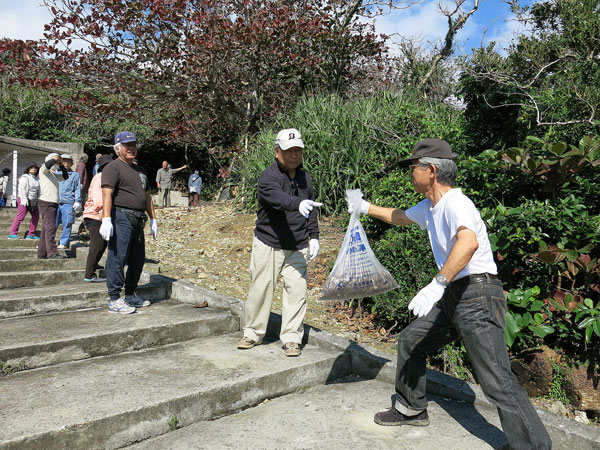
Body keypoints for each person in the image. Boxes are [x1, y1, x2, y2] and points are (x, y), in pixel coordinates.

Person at [350, 139, 551, 449]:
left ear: (431, 171)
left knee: (496, 381)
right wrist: (364, 207)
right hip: (455, 296)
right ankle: (411, 408)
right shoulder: (431, 207)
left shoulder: (457, 203)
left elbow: (468, 243)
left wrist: (438, 282)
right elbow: (398, 216)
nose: (410, 174)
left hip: (477, 294)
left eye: (413, 168)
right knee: (411, 341)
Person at [237, 128, 322, 357]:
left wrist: (314, 236)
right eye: (289, 151)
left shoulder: (305, 178)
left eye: (298, 150)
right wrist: (296, 204)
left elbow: (311, 209)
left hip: (297, 244)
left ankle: (292, 338)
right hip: (269, 243)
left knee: (297, 292)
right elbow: (277, 198)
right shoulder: (268, 177)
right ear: (277, 152)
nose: (294, 155)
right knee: (261, 289)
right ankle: (253, 332)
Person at [100, 131, 157, 314]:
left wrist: (154, 218)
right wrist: (106, 218)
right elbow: (107, 193)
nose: (131, 148)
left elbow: (147, 196)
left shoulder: (140, 170)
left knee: (137, 259)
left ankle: (131, 293)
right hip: (120, 216)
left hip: (138, 219)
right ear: (118, 148)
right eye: (127, 145)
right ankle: (115, 299)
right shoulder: (113, 167)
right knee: (118, 257)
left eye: (133, 145)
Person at [82, 155, 113, 282]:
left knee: (102, 244)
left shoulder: (108, 178)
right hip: (94, 215)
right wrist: (103, 213)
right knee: (97, 245)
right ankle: (89, 274)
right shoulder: (99, 178)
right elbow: (98, 199)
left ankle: (94, 266)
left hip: (101, 215)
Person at [37, 153, 69, 259]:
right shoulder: (43, 170)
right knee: (51, 228)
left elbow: (65, 177)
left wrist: (61, 165)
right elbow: (47, 165)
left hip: (52, 202)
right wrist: (54, 159)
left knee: (46, 229)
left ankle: (41, 253)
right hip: (46, 202)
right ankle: (52, 252)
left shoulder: (53, 174)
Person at [55, 154, 82, 249]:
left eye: (68, 162)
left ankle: (63, 242)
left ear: (72, 163)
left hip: (68, 202)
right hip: (56, 202)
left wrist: (77, 201)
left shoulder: (75, 175)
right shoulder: (56, 173)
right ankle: (49, 242)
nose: (66, 164)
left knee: (67, 224)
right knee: (52, 224)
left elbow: (77, 188)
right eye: (64, 161)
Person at [9, 162, 40, 240]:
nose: (34, 169)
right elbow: (22, 189)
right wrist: (24, 199)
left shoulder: (37, 179)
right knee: (20, 217)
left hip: (34, 201)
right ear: (28, 169)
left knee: (36, 217)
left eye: (35, 168)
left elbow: (38, 191)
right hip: (24, 200)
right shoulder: (24, 177)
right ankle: (12, 233)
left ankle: (31, 234)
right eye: (32, 167)